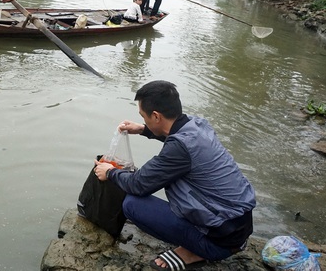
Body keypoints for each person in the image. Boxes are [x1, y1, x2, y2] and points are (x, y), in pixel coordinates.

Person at [93, 80, 256, 270]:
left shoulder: (177, 150)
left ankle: (196, 250)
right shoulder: (197, 125)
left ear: (156, 116)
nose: (143, 121)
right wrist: (144, 130)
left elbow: (138, 184)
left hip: (220, 242)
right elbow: (178, 140)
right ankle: (201, 243)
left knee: (132, 205)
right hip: (238, 227)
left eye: (144, 117)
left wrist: (110, 172)